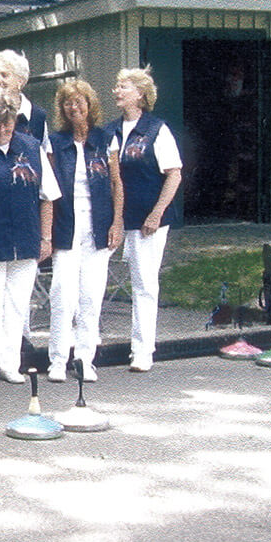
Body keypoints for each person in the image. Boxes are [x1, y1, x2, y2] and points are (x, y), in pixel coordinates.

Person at [0, 90, 61, 386]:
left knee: (17, 303)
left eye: (7, 124)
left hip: (26, 237)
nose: (2, 130)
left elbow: (48, 197)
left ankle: (10, 363)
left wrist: (46, 238)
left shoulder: (31, 147)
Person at [46, 79, 123, 383]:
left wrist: (117, 222)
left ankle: (85, 359)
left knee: (91, 295)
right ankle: (57, 359)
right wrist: (48, 233)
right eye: (68, 102)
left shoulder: (107, 139)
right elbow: (48, 190)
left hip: (98, 226)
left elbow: (117, 184)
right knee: (62, 295)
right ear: (62, 109)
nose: (74, 107)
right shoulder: (54, 142)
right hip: (66, 226)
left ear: (90, 105)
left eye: (80, 101)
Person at [109, 67, 182, 374]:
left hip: (146, 220)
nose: (117, 91)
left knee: (144, 284)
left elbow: (174, 174)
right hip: (113, 218)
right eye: (117, 86)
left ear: (139, 94)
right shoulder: (110, 130)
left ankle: (142, 350)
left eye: (123, 86)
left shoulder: (156, 129)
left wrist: (156, 213)